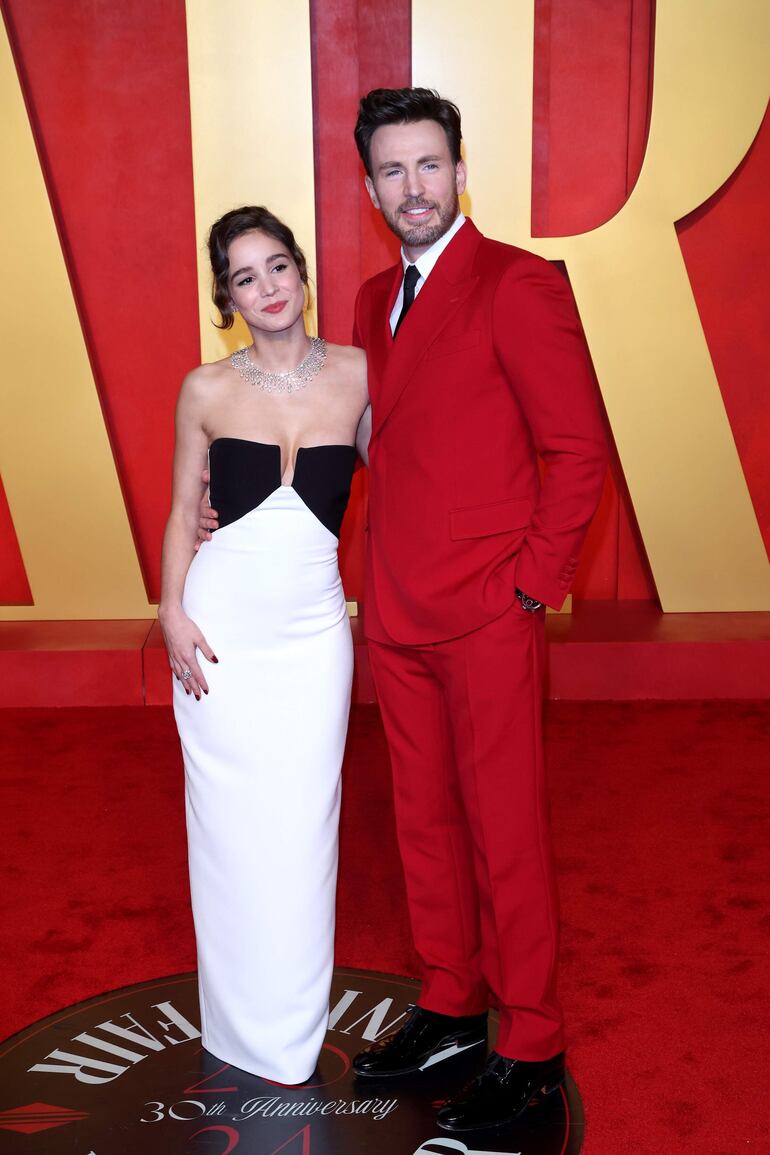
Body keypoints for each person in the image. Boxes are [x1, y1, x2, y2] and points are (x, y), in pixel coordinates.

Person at [199, 88, 607, 1130]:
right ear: (371, 186)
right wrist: (235, 502)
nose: (412, 187)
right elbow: (366, 442)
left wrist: (529, 584)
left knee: (503, 829)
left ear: (459, 171)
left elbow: (576, 450)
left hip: (487, 611)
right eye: (391, 170)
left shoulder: (516, 283)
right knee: (422, 824)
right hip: (394, 606)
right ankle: (449, 1001)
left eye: (428, 165)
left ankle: (527, 1042)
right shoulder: (371, 298)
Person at [160, 205, 369, 1084]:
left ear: (301, 271)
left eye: (278, 266)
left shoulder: (361, 374)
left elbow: (413, 476)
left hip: (316, 633)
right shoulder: (205, 388)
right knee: (227, 829)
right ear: (227, 297)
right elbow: (181, 510)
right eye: (246, 277)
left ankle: (289, 1034)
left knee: (305, 826)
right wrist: (170, 610)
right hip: (221, 631)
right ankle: (237, 1029)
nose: (269, 287)